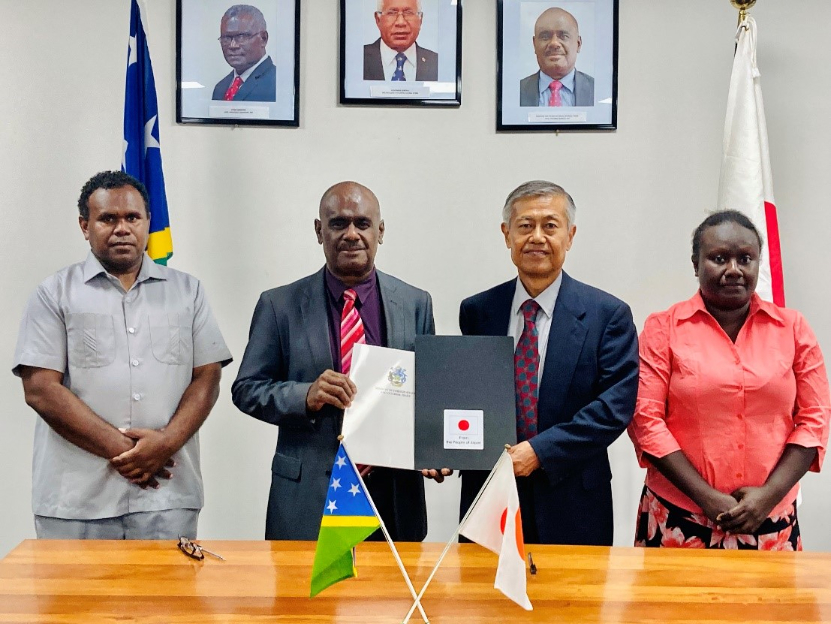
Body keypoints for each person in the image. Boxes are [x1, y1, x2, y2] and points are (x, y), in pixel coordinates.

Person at [12, 171, 232, 540]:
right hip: (77, 501)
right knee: (76, 600)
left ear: (148, 223)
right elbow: (40, 390)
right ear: (85, 226)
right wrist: (131, 454)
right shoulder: (54, 294)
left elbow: (207, 376)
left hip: (167, 498)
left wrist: (165, 443)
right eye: (107, 219)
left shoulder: (187, 292)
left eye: (132, 218)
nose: (122, 228)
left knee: (166, 600)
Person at [232, 181, 434, 541]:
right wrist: (305, 395)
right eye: (339, 224)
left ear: (380, 231)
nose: (351, 234)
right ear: (318, 231)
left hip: (393, 498)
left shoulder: (416, 303)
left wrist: (434, 445)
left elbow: (429, 392)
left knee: (393, 598)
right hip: (307, 499)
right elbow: (247, 389)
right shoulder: (279, 305)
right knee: (303, 599)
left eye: (362, 223)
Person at [628, 210, 830, 550]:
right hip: (680, 517)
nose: (733, 270)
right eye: (719, 259)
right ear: (696, 264)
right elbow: (645, 420)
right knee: (674, 605)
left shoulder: (793, 329)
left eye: (746, 259)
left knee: (768, 605)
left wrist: (767, 496)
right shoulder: (663, 328)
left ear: (758, 264)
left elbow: (815, 418)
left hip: (770, 520)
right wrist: (707, 498)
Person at [458, 180, 638, 545]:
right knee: (481, 601)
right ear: (506, 234)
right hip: (490, 496)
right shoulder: (477, 311)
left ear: (570, 236)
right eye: (525, 226)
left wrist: (539, 452)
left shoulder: (608, 315)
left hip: (573, 500)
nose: (537, 237)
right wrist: (445, 448)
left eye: (550, 226)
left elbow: (612, 409)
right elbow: (468, 395)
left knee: (573, 601)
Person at [519, 7, 594, 107]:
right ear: (534, 44)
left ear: (578, 44)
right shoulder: (515, 91)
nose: (554, 43)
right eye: (545, 36)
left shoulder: (597, 89)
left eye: (563, 36)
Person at [212, 4, 277, 102]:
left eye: (241, 37)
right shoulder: (220, 88)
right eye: (226, 38)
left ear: (263, 38)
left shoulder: (278, 83)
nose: (233, 45)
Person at [364, 0, 438, 82]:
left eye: (408, 13)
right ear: (378, 19)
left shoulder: (436, 62)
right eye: (392, 13)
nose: (400, 22)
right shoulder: (359, 59)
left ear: (420, 20)